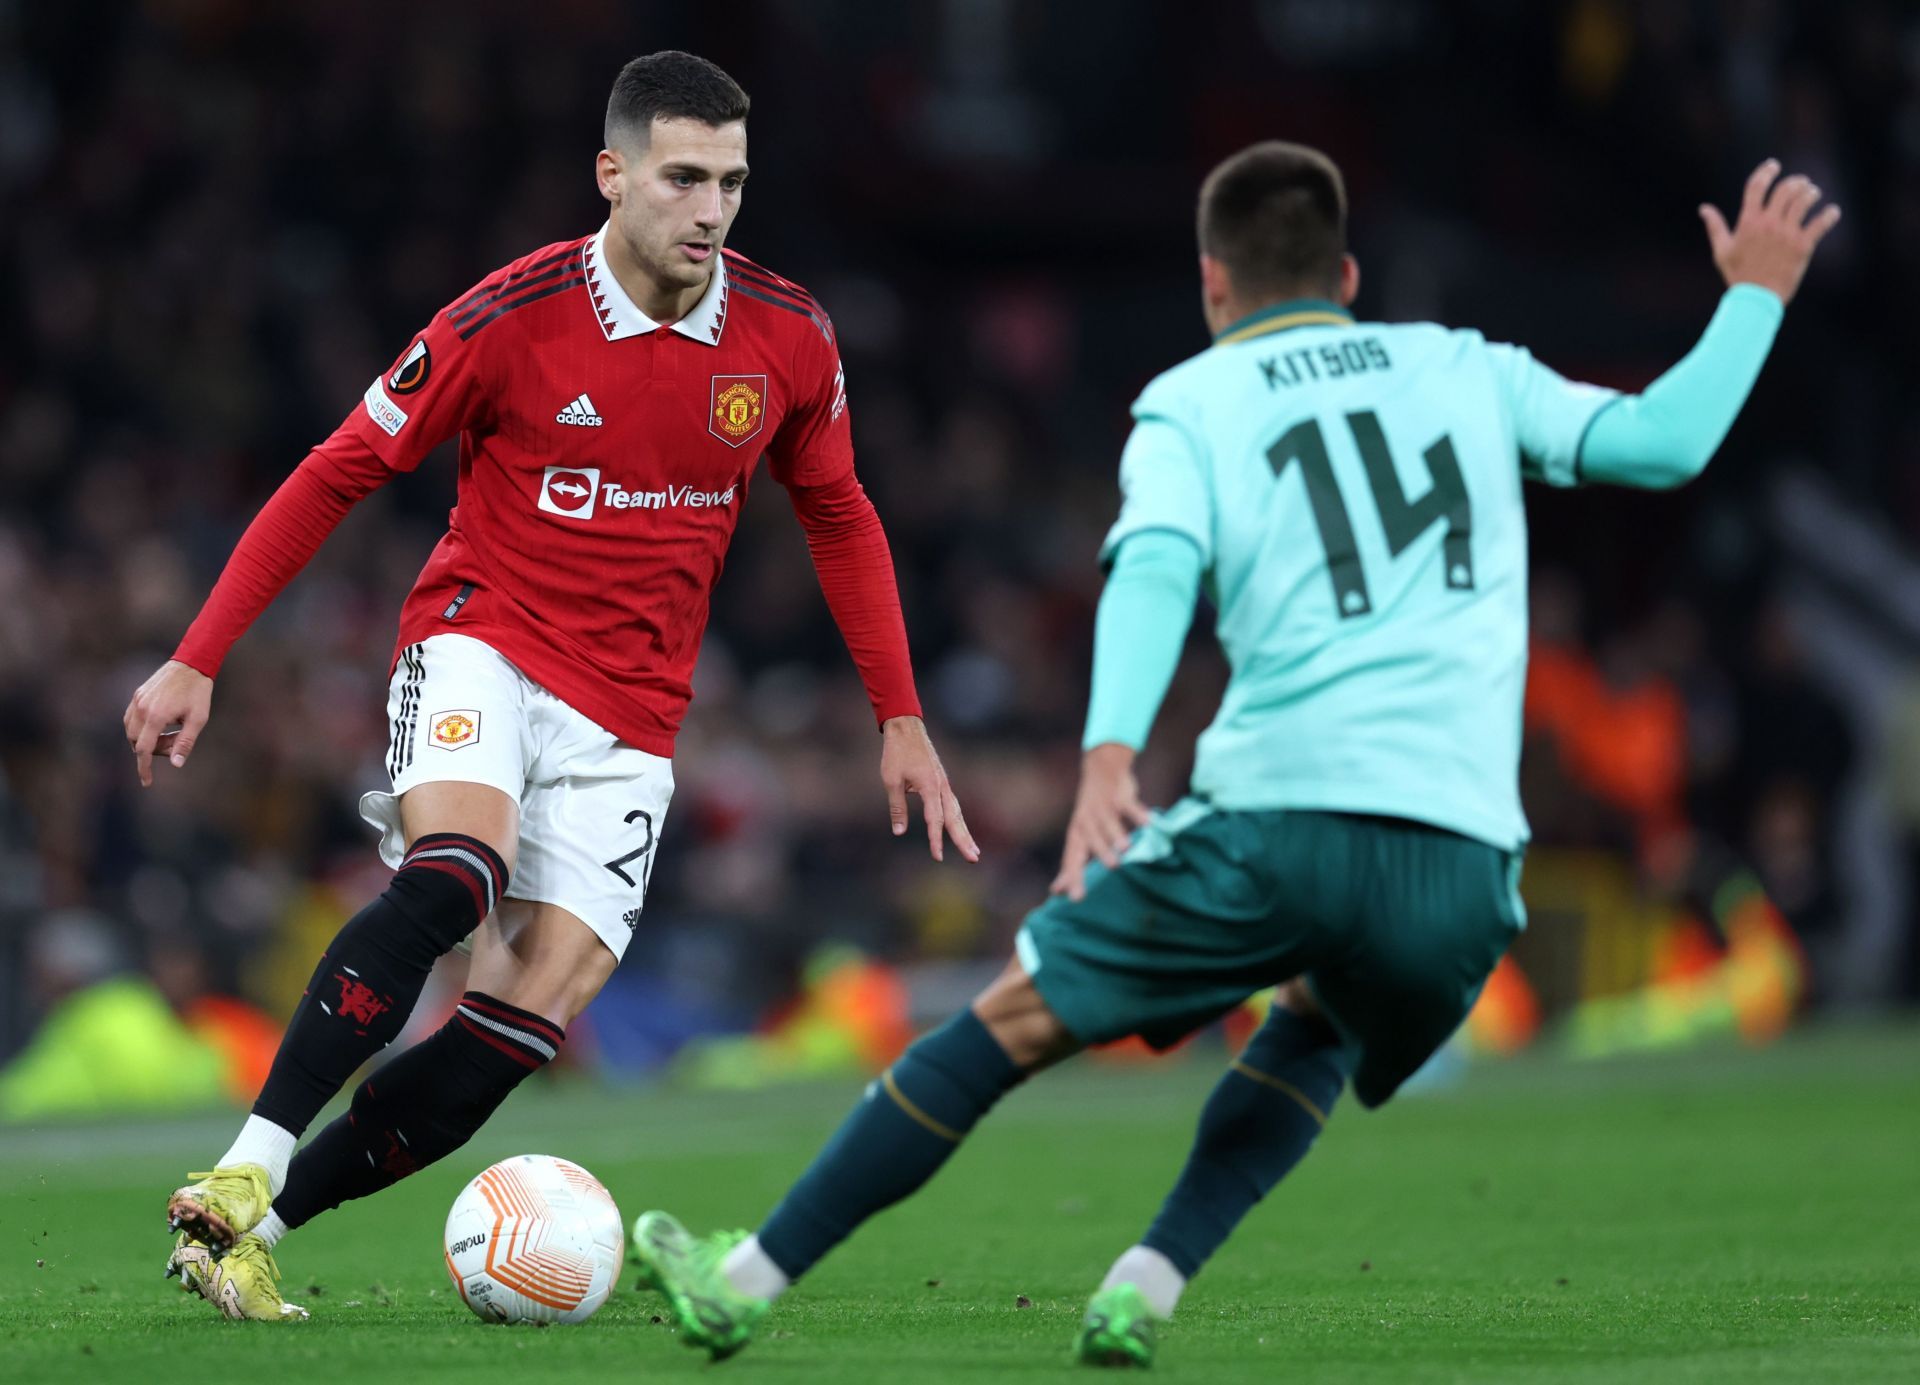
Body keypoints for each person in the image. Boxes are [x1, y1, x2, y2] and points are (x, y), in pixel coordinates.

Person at [629, 144, 1839, 1366]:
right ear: (1349, 272)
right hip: (1469, 868)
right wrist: (1757, 295)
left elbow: (1154, 569)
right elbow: (1664, 443)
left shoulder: (1193, 401)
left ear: (1214, 282)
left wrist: (1107, 754)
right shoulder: (1467, 369)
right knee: (1317, 1022)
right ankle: (1143, 1287)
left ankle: (742, 1277)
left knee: (1011, 1019)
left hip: (1282, 821)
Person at [122, 50, 977, 1323]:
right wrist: (200, 651)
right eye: (684, 177)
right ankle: (245, 1163)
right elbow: (337, 468)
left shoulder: (788, 335)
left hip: (634, 720)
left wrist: (900, 716)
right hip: (488, 639)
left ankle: (252, 1230)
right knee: (456, 872)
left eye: (733, 182)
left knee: (515, 1033)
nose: (711, 209)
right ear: (613, 174)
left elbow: (841, 511)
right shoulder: (507, 317)